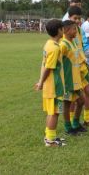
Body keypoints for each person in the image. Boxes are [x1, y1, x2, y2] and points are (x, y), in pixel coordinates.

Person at [35, 19, 66, 147]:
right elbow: (49, 67)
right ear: (59, 30)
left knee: (51, 112)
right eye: (62, 28)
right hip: (54, 86)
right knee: (55, 112)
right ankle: (50, 140)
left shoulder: (49, 44)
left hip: (50, 85)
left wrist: (41, 81)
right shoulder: (54, 48)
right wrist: (41, 82)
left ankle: (49, 136)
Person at [60, 20, 87, 135]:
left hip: (76, 78)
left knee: (81, 101)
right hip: (68, 80)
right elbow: (57, 63)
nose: (76, 31)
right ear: (66, 30)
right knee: (67, 104)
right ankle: (68, 127)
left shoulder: (73, 42)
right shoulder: (63, 45)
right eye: (73, 29)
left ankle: (75, 123)